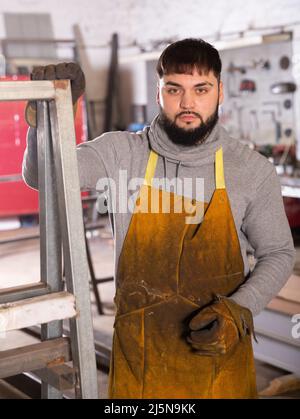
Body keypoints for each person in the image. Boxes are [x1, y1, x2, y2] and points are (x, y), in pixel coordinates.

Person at [22, 38, 295, 399]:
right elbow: (43, 175)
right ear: (158, 92)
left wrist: (240, 310)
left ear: (220, 91)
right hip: (141, 362)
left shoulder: (250, 169)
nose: (188, 102)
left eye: (201, 89)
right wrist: (48, 115)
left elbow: (278, 253)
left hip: (219, 359)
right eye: (174, 89)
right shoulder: (121, 153)